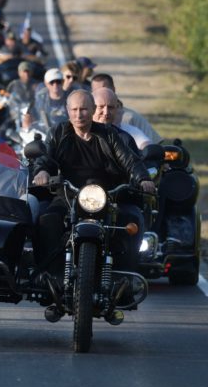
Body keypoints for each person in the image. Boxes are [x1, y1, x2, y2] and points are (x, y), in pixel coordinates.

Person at [32, 90, 156, 273]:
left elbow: (130, 161)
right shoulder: (59, 132)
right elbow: (45, 157)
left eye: (83, 109)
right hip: (69, 194)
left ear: (91, 110)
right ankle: (52, 276)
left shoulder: (109, 135)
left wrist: (143, 178)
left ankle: (125, 275)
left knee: (131, 218)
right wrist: (41, 171)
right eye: (74, 109)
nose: (78, 114)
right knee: (46, 220)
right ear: (67, 111)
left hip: (107, 195)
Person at [91, 73, 163, 143]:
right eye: (96, 91)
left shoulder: (130, 117)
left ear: (113, 89)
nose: (106, 112)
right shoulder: (85, 126)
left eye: (110, 107)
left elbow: (151, 145)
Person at [93, 87, 151, 152]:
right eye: (101, 107)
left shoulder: (125, 137)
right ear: (92, 108)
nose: (106, 112)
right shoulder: (83, 134)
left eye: (110, 107)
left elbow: (145, 146)